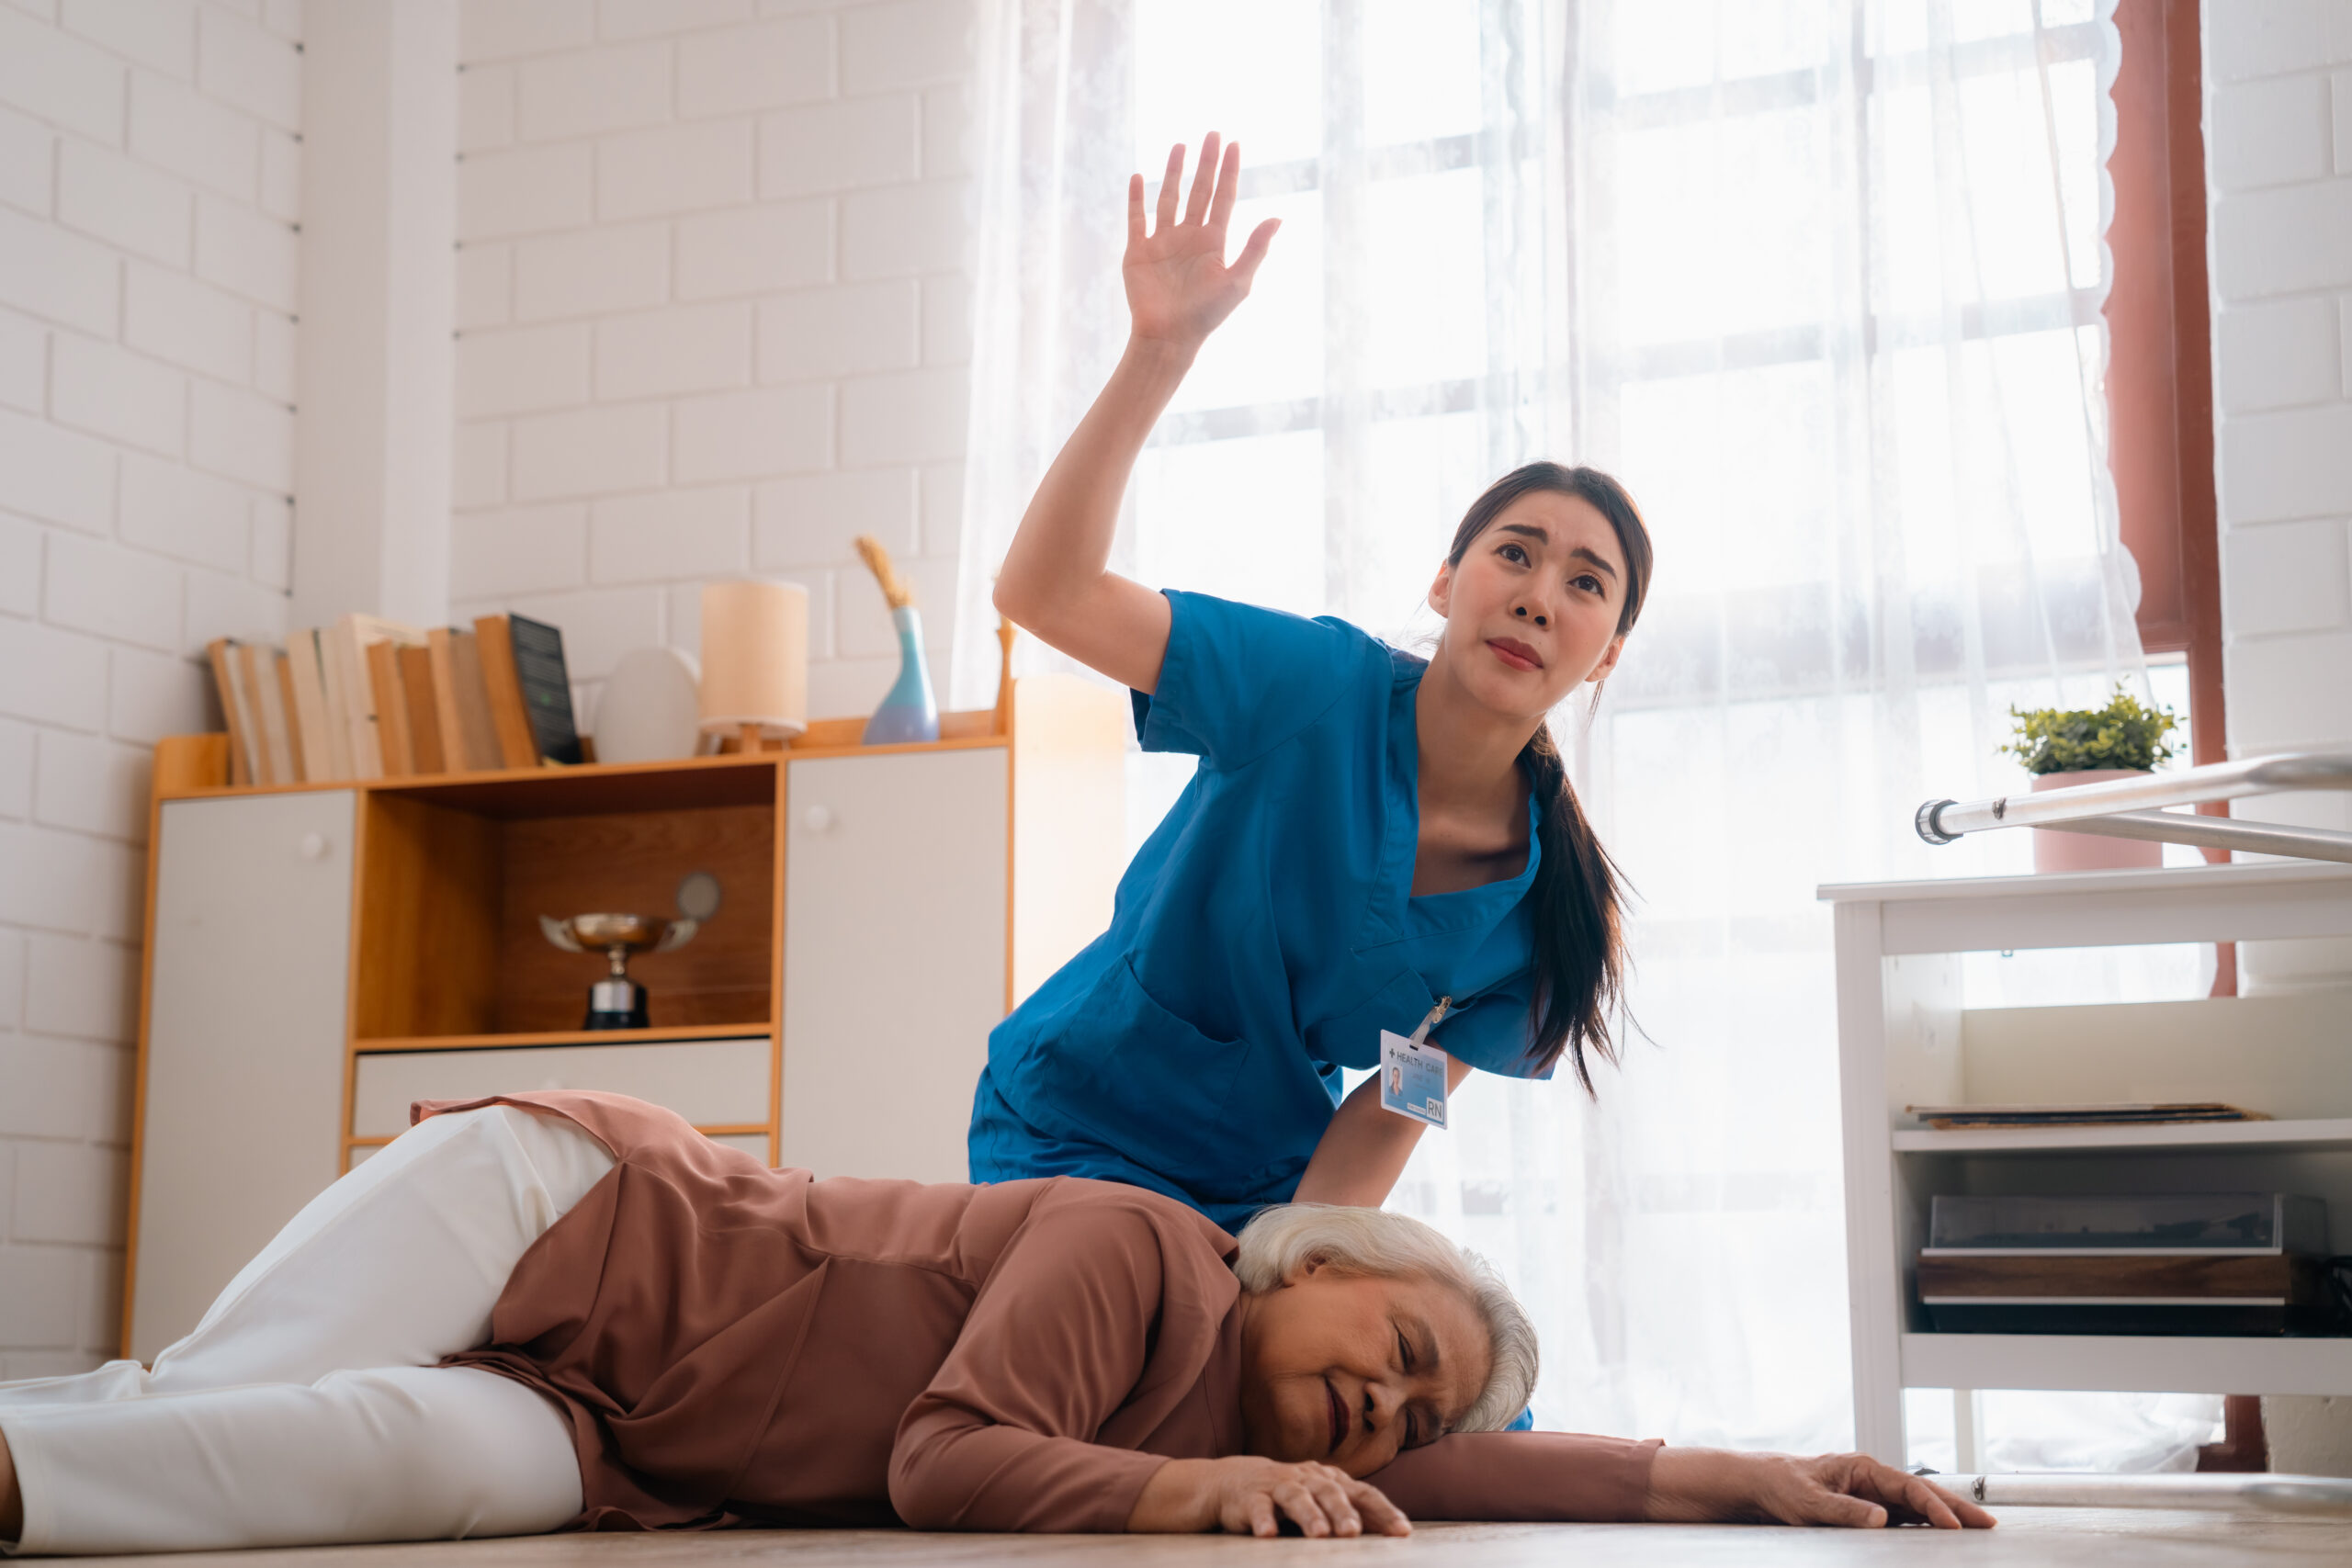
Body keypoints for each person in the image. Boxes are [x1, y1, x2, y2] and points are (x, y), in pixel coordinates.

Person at [0, 1093, 1990, 1553]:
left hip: (615, 1432)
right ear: (1307, 1258)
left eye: (1401, 1410)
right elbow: (936, 1459)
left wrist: (1732, 1469)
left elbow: (1482, 1465)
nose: (1385, 1408)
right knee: (220, 1396)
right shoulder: (1141, 1250)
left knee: (394, 1474)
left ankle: (51, 1462)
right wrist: (1193, 1496)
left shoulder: (1276, 1405)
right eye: (1391, 1345)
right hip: (575, 1211)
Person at [969, 133, 1651, 1228]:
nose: (1537, 597)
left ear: (1606, 653)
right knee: (1136, 1320)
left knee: (1455, 1385)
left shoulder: (1538, 921)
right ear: (1444, 584)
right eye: (1514, 554)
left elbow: (1385, 1119)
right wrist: (1158, 353)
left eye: (1585, 584)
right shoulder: (1313, 687)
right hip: (1071, 1129)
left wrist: (1289, 1273)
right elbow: (1043, 591)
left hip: (1265, 1188)